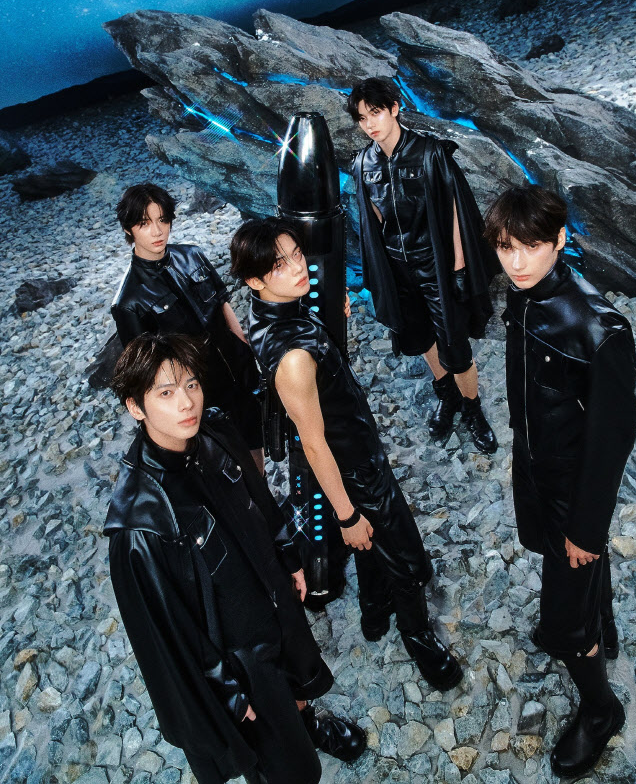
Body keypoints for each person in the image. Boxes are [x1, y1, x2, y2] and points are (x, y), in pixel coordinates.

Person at [104, 332, 366, 784]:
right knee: (286, 768)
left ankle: (306, 724)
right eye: (165, 393)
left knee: (300, 681)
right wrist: (225, 692)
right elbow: (166, 637)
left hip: (274, 599)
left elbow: (259, 498)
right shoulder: (139, 526)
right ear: (135, 407)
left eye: (191, 384)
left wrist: (288, 556)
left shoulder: (214, 431)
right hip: (240, 659)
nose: (186, 403)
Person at [230, 217, 463, 691]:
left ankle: (374, 613)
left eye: (297, 254)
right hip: (353, 466)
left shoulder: (274, 313)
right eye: (280, 265)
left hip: (353, 449)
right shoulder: (293, 358)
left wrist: (326, 327)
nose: (298, 267)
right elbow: (314, 444)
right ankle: (418, 638)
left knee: (374, 545)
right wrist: (346, 515)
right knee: (408, 561)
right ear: (254, 280)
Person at [484, 185, 636, 778]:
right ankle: (602, 623)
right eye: (506, 247)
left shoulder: (599, 329)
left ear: (560, 239)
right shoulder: (523, 297)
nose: (517, 262)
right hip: (536, 470)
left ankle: (601, 710)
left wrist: (587, 528)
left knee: (561, 622)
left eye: (531, 246)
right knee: (571, 580)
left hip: (575, 494)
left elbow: (612, 441)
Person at [348, 77, 499, 453]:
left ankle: (473, 408)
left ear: (394, 108)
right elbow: (374, 219)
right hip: (398, 268)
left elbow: (455, 214)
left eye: (376, 112)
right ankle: (447, 395)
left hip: (436, 265)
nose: (370, 124)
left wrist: (459, 268)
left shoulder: (430, 153)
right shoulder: (364, 163)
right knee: (419, 336)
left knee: (454, 343)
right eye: (362, 117)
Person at [111, 182, 264, 471]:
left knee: (256, 446)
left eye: (162, 220)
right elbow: (147, 375)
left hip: (237, 371)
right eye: (144, 223)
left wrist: (243, 347)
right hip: (199, 393)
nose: (157, 231)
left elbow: (222, 303)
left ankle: (262, 493)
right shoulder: (128, 302)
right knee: (222, 465)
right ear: (129, 229)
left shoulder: (192, 255)